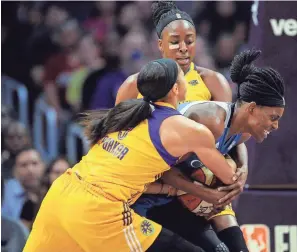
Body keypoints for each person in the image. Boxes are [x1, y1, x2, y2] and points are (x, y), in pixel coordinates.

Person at [23, 58, 237, 252]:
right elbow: (228, 178)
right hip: (99, 208)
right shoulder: (186, 128)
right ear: (176, 88)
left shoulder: (127, 111)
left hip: (62, 193)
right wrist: (238, 171)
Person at [129, 50, 285, 252]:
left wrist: (243, 170)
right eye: (273, 118)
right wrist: (204, 193)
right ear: (252, 109)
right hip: (148, 195)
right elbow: (164, 170)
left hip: (180, 193)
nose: (276, 126)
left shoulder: (242, 131)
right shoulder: (209, 122)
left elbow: (237, 144)